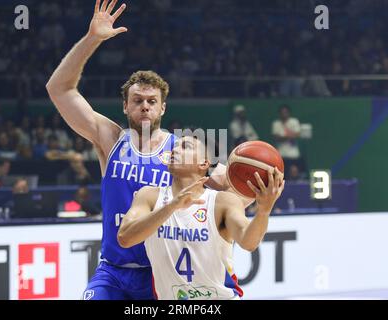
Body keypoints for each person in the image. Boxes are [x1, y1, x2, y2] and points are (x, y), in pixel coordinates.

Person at [46, 0, 254, 300]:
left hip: (162, 274)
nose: (144, 105)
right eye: (138, 99)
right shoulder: (110, 140)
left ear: (163, 108)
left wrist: (253, 184)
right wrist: (92, 39)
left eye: (152, 101)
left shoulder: (182, 151)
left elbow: (230, 191)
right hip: (113, 270)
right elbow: (59, 89)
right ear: (125, 106)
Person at [118, 136, 284, 300]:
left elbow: (249, 242)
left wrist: (264, 210)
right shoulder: (149, 196)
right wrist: (171, 206)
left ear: (204, 163)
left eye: (185, 146)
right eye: (175, 146)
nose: (174, 150)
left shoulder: (223, 202)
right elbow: (125, 238)